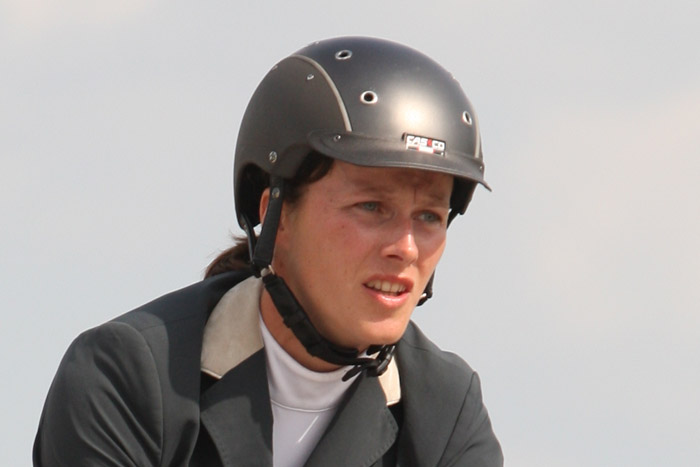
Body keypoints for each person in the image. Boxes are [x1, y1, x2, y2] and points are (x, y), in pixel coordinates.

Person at [34, 36, 503, 466]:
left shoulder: (446, 412)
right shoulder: (124, 378)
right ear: (276, 216)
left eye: (429, 217)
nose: (405, 247)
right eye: (371, 207)